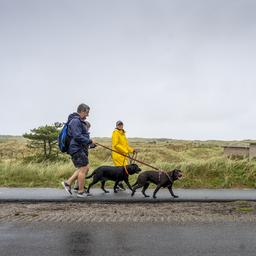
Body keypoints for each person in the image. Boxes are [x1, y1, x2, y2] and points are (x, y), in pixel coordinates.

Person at [61, 103, 95, 198]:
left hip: (79, 148)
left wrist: (90, 144)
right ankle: (80, 191)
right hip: (76, 148)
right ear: (82, 111)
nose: (88, 115)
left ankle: (69, 183)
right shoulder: (75, 121)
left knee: (85, 168)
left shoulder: (77, 121)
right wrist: (89, 140)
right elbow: (77, 136)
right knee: (83, 169)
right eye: (87, 112)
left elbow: (80, 136)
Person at [111, 120, 137, 189]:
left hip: (123, 155)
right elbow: (115, 145)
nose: (120, 126)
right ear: (116, 126)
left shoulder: (123, 133)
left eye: (121, 124)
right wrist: (125, 151)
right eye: (119, 125)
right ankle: (118, 184)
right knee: (120, 171)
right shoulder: (115, 133)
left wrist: (132, 150)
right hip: (117, 155)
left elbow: (126, 146)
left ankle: (118, 184)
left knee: (123, 171)